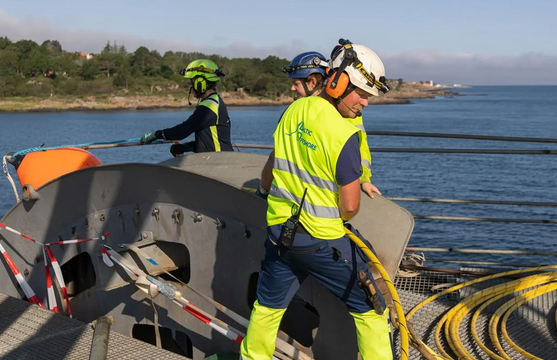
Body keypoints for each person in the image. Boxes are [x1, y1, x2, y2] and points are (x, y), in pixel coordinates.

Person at [240, 40, 393, 360]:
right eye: (362, 93)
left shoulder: (293, 110)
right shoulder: (343, 134)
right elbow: (350, 206)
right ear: (338, 82)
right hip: (322, 242)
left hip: (280, 233)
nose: (365, 103)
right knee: (372, 310)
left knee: (267, 308)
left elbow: (270, 170)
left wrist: (268, 195)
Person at [259, 50, 381, 199]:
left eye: (295, 83)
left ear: (312, 82)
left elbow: (360, 151)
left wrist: (364, 180)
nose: (292, 88)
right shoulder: (299, 110)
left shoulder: (347, 113)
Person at [139, 59, 234, 155]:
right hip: (219, 160)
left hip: (218, 162)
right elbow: (210, 140)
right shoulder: (215, 102)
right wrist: (187, 147)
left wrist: (156, 135)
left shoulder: (209, 106)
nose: (191, 88)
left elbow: (182, 131)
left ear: (200, 83)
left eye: (191, 83)